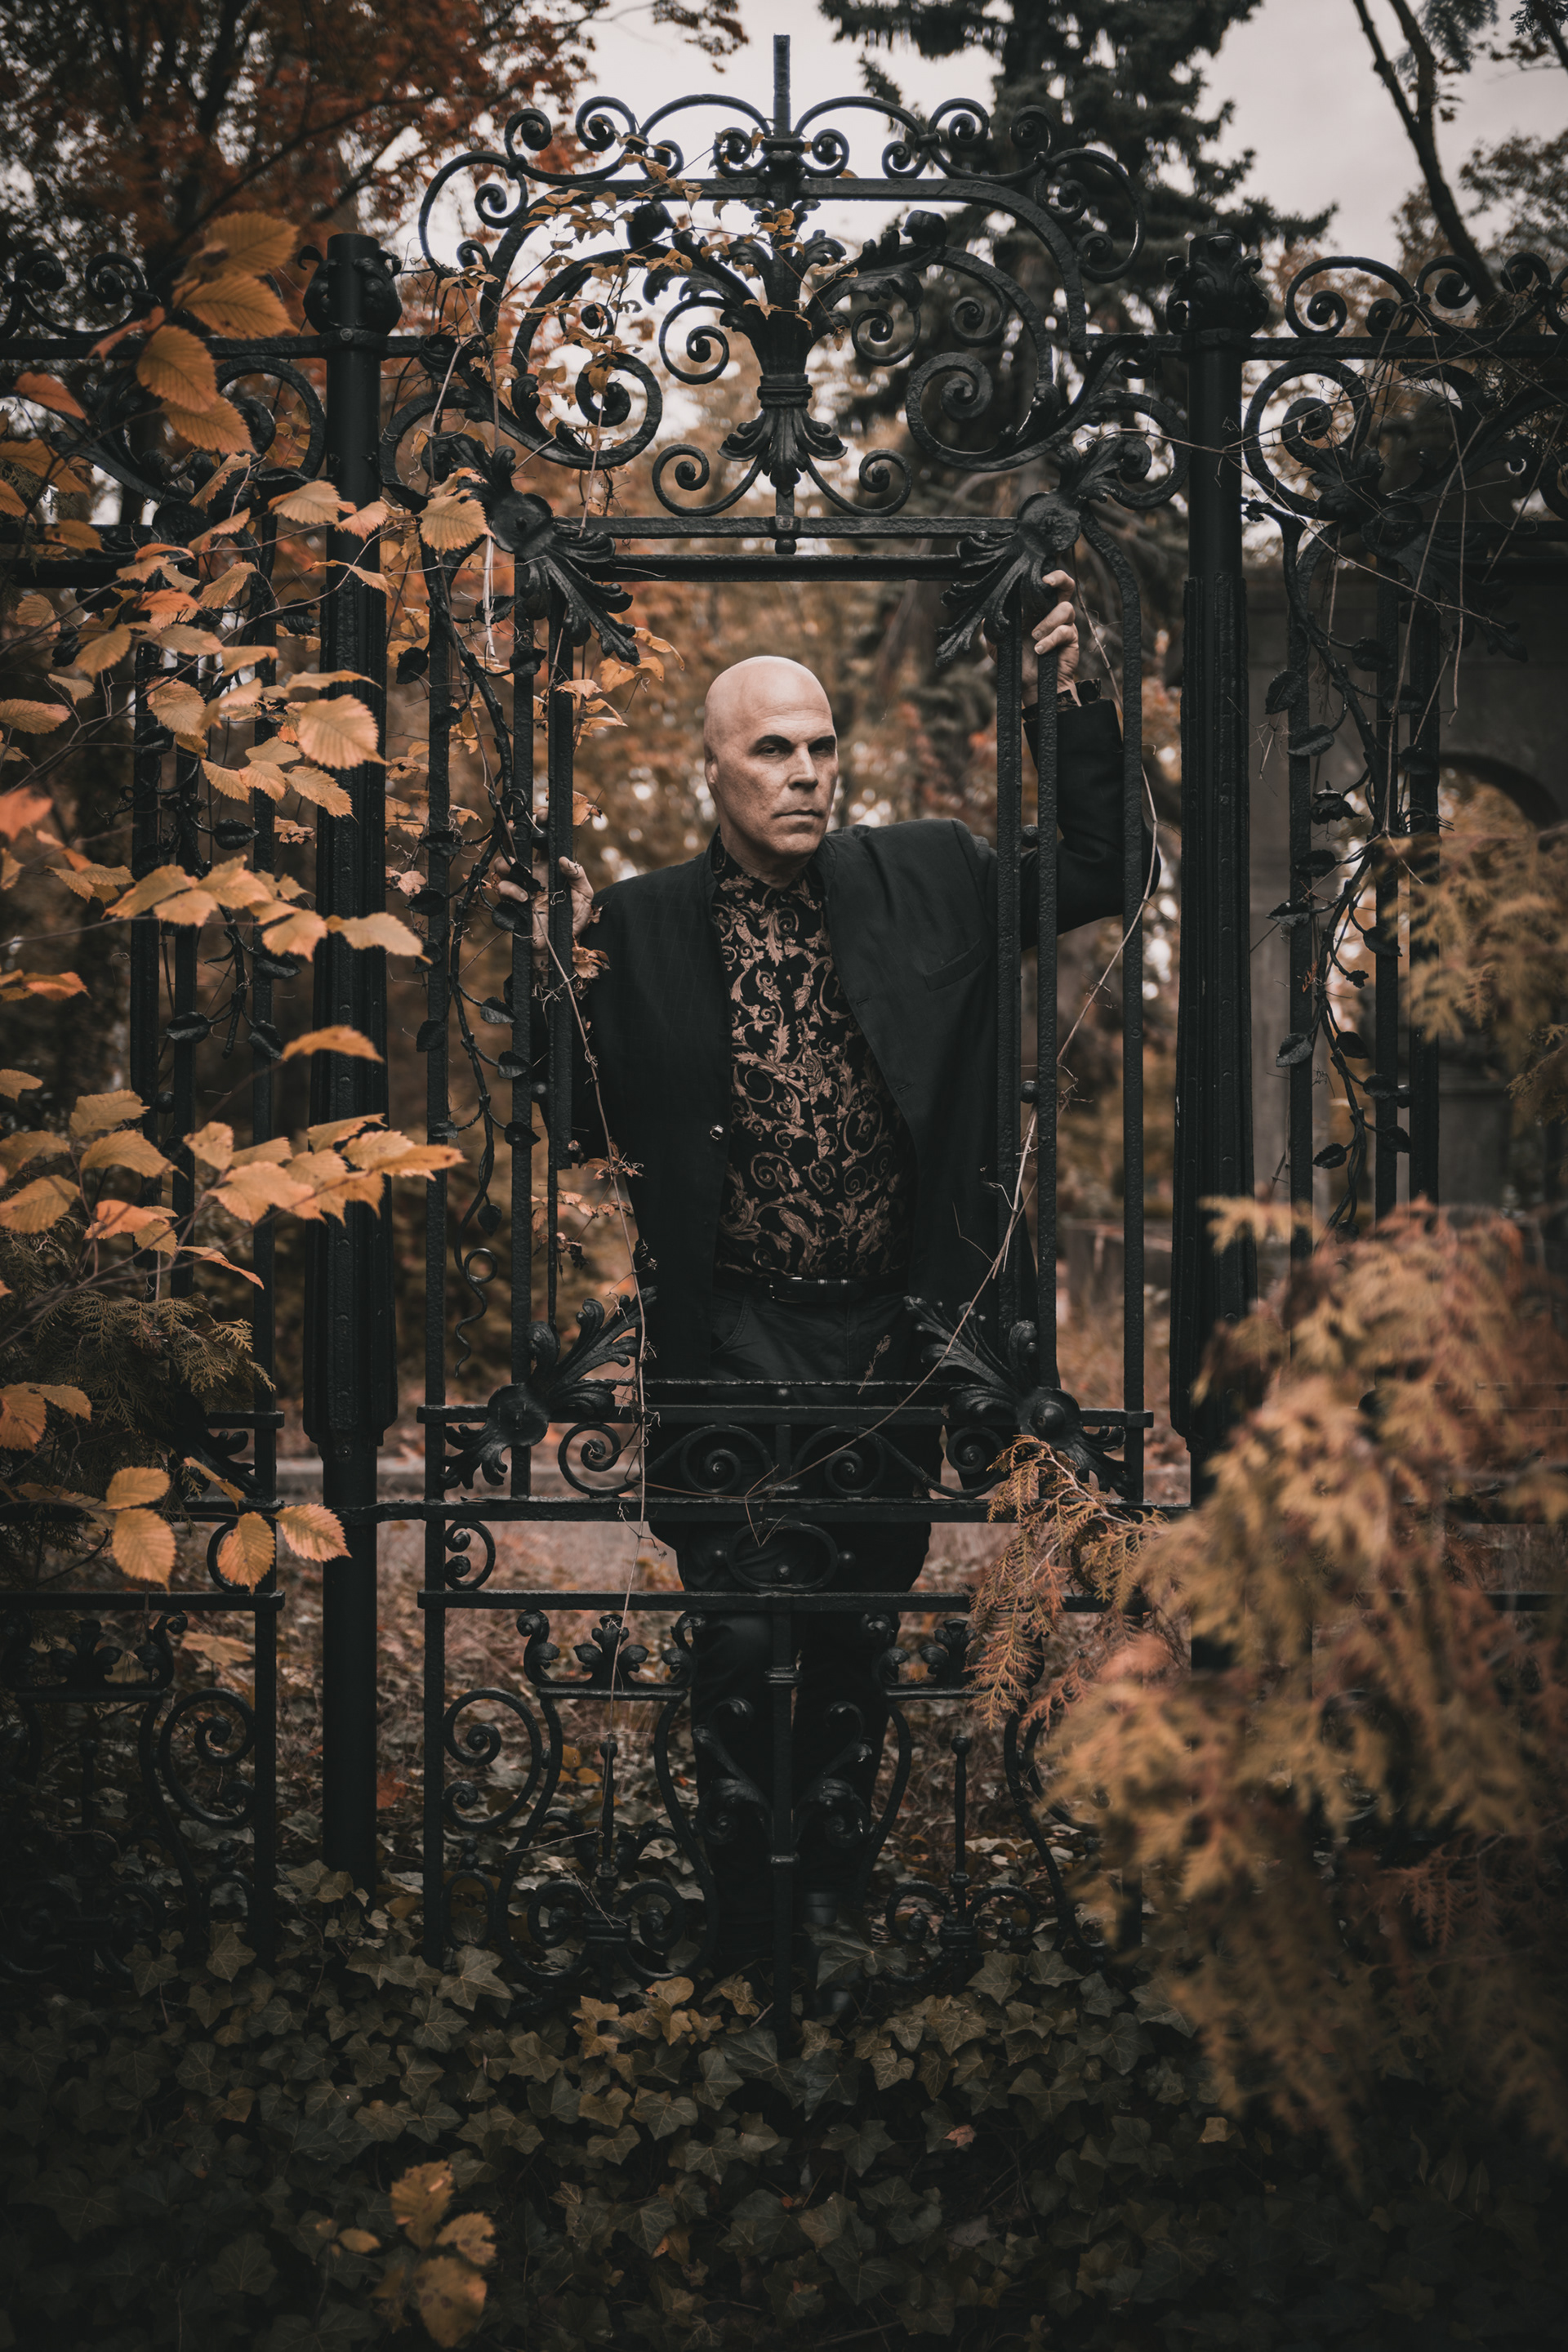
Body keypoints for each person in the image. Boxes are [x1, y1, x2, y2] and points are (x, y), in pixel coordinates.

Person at [501, 573, 1147, 1971]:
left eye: (821, 744)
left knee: (853, 1636)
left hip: (890, 1340)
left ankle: (835, 1911)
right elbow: (577, 1117)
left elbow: (1111, 869)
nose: (804, 772)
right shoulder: (639, 923)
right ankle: (746, 1929)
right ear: (711, 771)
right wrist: (544, 967)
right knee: (738, 1633)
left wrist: (1070, 704)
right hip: (727, 1337)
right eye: (771, 749)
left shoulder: (934, 876)